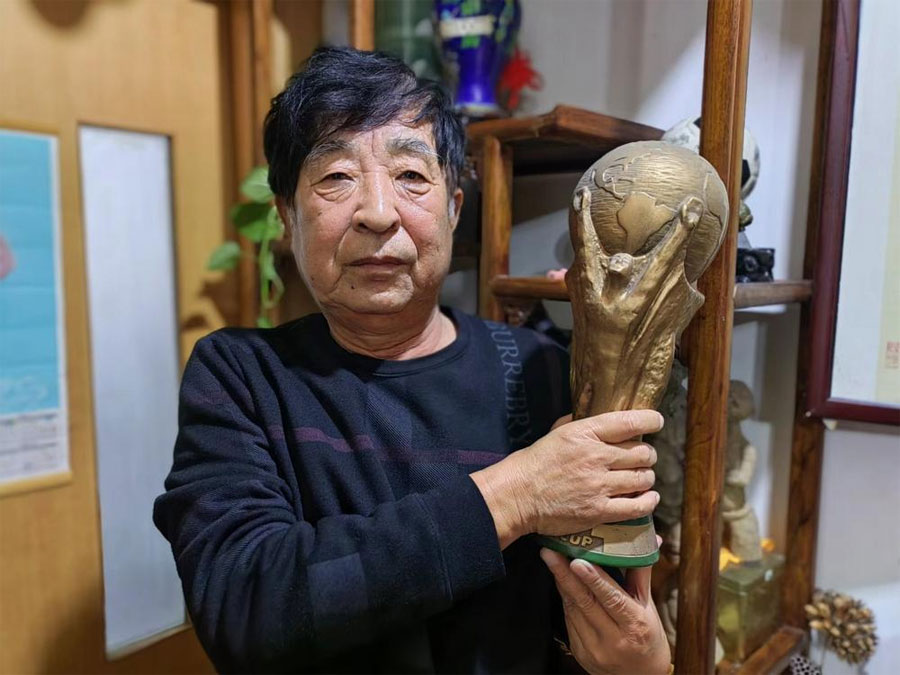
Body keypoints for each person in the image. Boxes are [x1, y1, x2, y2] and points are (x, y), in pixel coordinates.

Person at [153, 46, 670, 674]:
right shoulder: (243, 375)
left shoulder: (537, 367)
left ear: (453, 210)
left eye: (411, 176)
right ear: (287, 216)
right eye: (335, 177)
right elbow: (244, 609)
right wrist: (517, 494)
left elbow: (589, 599)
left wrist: (641, 663)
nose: (377, 212)